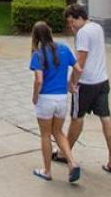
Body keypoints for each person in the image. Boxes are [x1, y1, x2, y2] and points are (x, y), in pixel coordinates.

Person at [57, 3, 111, 177]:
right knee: (106, 117)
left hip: (85, 83)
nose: (71, 27)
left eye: (72, 22)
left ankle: (65, 152)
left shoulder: (83, 33)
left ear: (79, 17)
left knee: (77, 118)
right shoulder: (97, 27)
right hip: (102, 80)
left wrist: (72, 82)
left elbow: (81, 60)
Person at [28, 22, 81, 183]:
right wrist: (72, 84)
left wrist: (35, 96)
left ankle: (47, 171)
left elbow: (39, 80)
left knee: (45, 134)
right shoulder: (64, 49)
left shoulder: (38, 55)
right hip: (61, 99)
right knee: (58, 132)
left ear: (36, 37)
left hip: (46, 99)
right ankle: (71, 162)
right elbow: (78, 69)